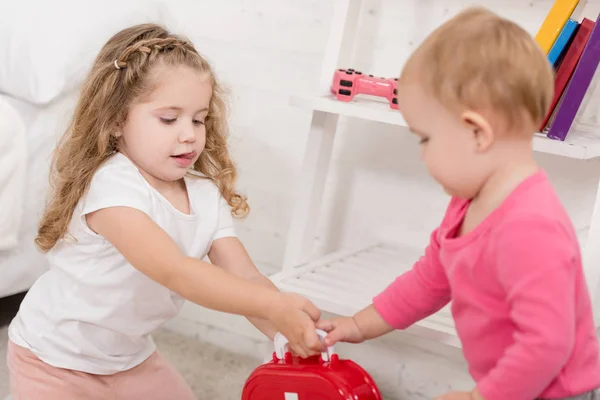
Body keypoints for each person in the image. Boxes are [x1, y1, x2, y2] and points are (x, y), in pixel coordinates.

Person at [6, 23, 323, 400]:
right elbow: (176, 271)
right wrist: (276, 305)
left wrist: (286, 329)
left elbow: (248, 280)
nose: (188, 134)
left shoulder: (205, 195)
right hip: (52, 358)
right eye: (169, 119)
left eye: (198, 118)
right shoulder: (111, 188)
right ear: (116, 121)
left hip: (129, 358)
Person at [317, 7, 600, 400]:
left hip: (556, 392)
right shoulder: (467, 205)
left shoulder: (531, 227)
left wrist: (479, 397)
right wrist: (360, 324)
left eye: (426, 139)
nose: (422, 154)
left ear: (476, 133)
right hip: (513, 385)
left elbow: (548, 344)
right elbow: (430, 278)